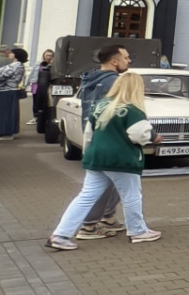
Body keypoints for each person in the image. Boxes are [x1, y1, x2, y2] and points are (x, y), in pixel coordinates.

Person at [44, 70, 161, 250]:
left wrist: (87, 153)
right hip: (120, 159)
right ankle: (137, 231)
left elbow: (89, 133)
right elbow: (139, 135)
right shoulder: (133, 110)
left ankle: (61, 234)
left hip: (96, 156)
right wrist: (154, 138)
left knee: (85, 196)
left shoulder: (101, 105)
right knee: (131, 195)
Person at [73, 44, 134, 238]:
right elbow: (123, 111)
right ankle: (89, 226)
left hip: (94, 135)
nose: (129, 61)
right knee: (103, 184)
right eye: (126, 58)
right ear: (114, 61)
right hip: (110, 139)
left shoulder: (91, 79)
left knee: (111, 181)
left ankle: (107, 216)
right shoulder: (115, 82)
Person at [0, 47, 27, 139]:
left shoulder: (16, 64)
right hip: (5, 90)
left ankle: (5, 132)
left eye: (12, 53)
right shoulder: (17, 64)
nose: (10, 54)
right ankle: (3, 132)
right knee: (4, 112)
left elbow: (4, 75)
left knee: (4, 112)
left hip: (6, 90)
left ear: (16, 55)